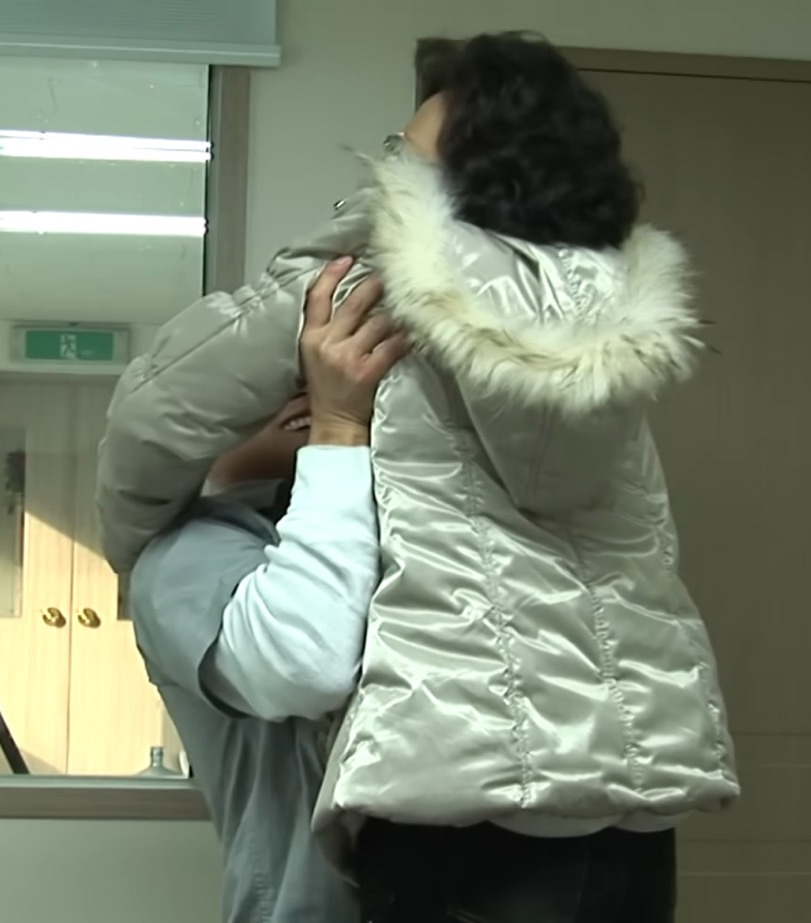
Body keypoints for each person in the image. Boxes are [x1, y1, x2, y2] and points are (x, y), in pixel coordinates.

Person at [98, 30, 740, 923]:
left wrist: (141, 535)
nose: (386, 170)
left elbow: (155, 410)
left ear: (446, 193)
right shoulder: (610, 348)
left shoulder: (366, 292)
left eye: (403, 158)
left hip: (456, 807)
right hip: (629, 815)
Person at [128, 261, 404, 922]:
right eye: (288, 387)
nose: (303, 397)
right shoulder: (183, 559)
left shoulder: (383, 525)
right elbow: (302, 664)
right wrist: (338, 427)